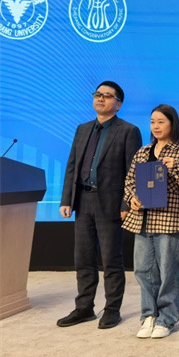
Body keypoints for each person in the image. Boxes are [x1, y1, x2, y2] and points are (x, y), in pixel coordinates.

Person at [58, 81, 142, 329]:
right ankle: (84, 308)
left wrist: (126, 203)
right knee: (83, 258)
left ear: (119, 104)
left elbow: (134, 171)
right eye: (98, 94)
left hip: (111, 203)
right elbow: (72, 165)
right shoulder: (83, 129)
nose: (101, 99)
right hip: (83, 201)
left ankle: (112, 309)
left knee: (111, 259)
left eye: (107, 96)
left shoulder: (128, 131)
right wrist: (67, 199)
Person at [123, 105, 179, 339]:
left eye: (161, 122)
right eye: (152, 122)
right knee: (143, 270)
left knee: (168, 271)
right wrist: (132, 197)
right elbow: (129, 181)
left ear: (172, 124)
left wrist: (175, 167)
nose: (155, 126)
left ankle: (166, 319)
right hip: (142, 220)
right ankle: (148, 315)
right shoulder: (143, 152)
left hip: (169, 220)